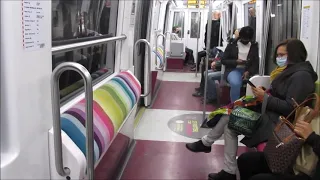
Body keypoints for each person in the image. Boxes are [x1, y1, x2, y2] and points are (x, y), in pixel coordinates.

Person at [186, 39, 318, 180]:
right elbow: (281, 95)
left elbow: (290, 108)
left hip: (278, 123)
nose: (279, 58)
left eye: (282, 55)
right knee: (229, 117)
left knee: (230, 119)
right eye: (278, 55)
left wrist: (265, 98)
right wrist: (265, 93)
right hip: (271, 115)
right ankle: (222, 163)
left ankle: (211, 149)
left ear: (293, 54)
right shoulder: (291, 71)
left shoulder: (301, 76)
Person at [238, 119, 320, 180]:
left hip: (308, 171)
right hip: (292, 157)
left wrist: (312, 137)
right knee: (246, 160)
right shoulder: (314, 105)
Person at [221, 26, 259, 102]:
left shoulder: (254, 46)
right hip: (234, 70)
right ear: (240, 36)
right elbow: (223, 60)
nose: (245, 41)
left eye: (247, 39)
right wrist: (235, 61)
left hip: (247, 70)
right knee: (236, 83)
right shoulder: (232, 44)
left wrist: (249, 71)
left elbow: (255, 62)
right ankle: (235, 106)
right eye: (244, 38)